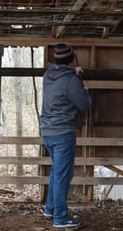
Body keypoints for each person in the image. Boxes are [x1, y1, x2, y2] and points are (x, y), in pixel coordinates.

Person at [40, 43, 92, 228]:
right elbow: (84, 105)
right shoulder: (71, 80)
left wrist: (73, 73)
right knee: (63, 175)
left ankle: (51, 208)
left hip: (47, 131)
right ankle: (60, 219)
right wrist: (85, 90)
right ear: (71, 60)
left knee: (57, 171)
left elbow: (63, 76)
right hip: (63, 133)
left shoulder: (48, 75)